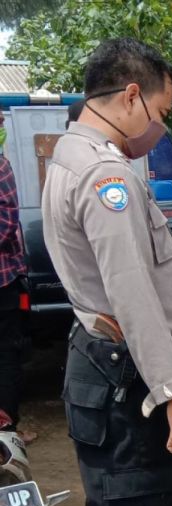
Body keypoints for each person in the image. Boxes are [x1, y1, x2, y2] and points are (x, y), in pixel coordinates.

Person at [41, 38, 172, 506]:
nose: (160, 128)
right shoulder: (104, 177)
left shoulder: (68, 156)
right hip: (128, 379)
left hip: (100, 366)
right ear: (131, 96)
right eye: (161, 113)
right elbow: (131, 292)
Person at [0, 108, 34, 444]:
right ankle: (6, 433)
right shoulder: (1, 167)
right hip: (4, 281)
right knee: (7, 355)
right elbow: (7, 222)